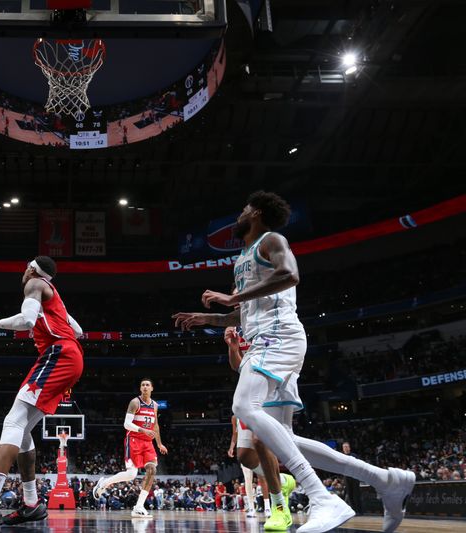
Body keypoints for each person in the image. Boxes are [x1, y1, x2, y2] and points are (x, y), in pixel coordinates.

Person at [173, 191, 415, 533]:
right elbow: (244, 313)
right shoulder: (243, 257)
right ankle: (385, 479)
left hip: (278, 337)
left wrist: (233, 296)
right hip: (266, 338)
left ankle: (321, 497)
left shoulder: (272, 240)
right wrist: (207, 319)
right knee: (281, 435)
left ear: (256, 213)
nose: (240, 213)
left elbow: (291, 274)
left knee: (244, 406)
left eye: (244, 208)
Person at [0, 256, 83, 528]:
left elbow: (27, 320)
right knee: (21, 431)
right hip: (70, 356)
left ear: (34, 270)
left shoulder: (35, 283)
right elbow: (78, 330)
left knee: (12, 421)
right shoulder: (54, 295)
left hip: (58, 354)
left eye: (26, 267)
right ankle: (32, 504)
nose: (23, 271)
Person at [226, 324, 296, 530]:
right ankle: (283, 481)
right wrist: (232, 347)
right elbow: (238, 367)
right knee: (245, 455)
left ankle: (279, 509)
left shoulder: (268, 320)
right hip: (250, 392)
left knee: (261, 442)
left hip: (272, 389)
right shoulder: (238, 329)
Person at [93, 378, 168, 518]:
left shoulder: (155, 405)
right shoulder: (135, 402)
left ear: (152, 388)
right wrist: (142, 430)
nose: (145, 387)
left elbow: (155, 425)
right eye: (142, 385)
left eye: (147, 385)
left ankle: (139, 506)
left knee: (152, 470)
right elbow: (126, 424)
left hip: (148, 443)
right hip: (134, 439)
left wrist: (159, 443)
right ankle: (104, 483)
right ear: (140, 388)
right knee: (132, 474)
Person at [341, 442, 363, 514]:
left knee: (356, 494)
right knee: (349, 494)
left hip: (355, 476)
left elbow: (359, 464)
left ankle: (359, 511)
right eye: (344, 447)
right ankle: (353, 511)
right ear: (343, 448)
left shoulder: (354, 455)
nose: (346, 448)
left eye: (347, 447)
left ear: (349, 448)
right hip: (347, 477)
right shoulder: (341, 456)